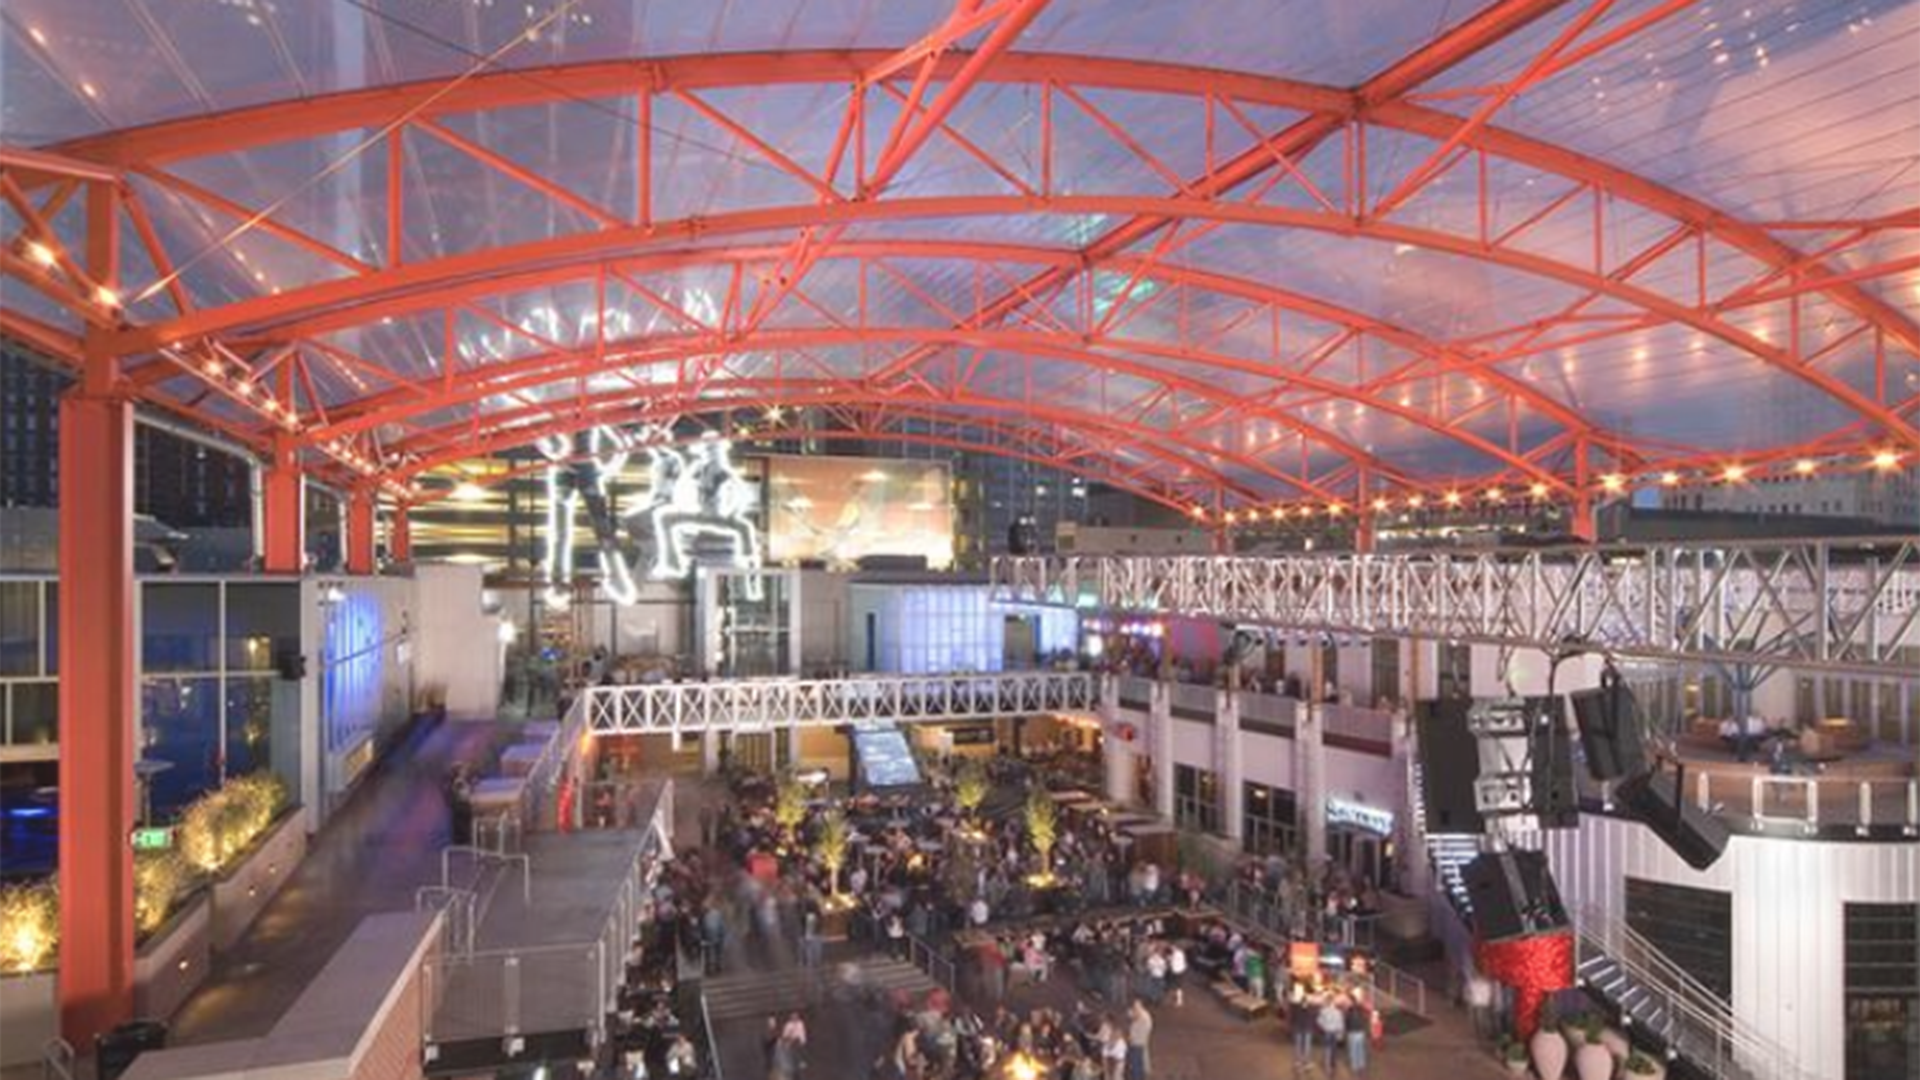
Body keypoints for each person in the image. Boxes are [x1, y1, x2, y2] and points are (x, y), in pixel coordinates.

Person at [1316, 993, 1347, 1076]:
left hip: (1327, 1032)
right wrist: (1340, 1034)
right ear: (1333, 1002)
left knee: (1327, 1050)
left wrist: (1324, 1026)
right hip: (1335, 1033)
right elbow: (1341, 1024)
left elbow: (1318, 1021)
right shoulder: (1338, 1012)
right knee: (1334, 1050)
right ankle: (1333, 1066)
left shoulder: (1323, 1011)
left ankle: (1327, 1069)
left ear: (1327, 1002)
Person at [1289, 986, 1317, 1072]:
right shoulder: (1311, 1008)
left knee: (1298, 1046)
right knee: (1307, 1046)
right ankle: (1306, 1063)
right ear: (1307, 1002)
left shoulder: (1296, 1008)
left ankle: (1298, 1063)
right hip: (1307, 1029)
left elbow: (1292, 1017)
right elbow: (1313, 1017)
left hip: (1298, 1029)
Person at [1344, 993, 1372, 1075]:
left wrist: (1346, 1030)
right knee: (1360, 1049)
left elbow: (1347, 1021)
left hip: (1352, 1032)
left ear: (1351, 1001)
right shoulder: (1361, 1008)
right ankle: (1361, 1065)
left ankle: (1355, 1067)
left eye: (1348, 1001)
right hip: (1361, 1032)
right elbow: (1365, 1019)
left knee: (1353, 1050)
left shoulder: (1349, 1010)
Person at [1126, 999, 1153, 1080]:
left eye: (1136, 1007)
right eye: (1134, 1006)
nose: (1134, 1008)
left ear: (1141, 1006)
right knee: (1137, 1066)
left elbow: (1135, 1018)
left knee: (1136, 1066)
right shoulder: (1143, 1014)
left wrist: (1131, 1015)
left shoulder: (1143, 1016)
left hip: (1138, 1044)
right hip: (1136, 1044)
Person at [1166, 942, 1187, 1007]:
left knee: (1176, 986)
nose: (1171, 948)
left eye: (1172, 947)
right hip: (1181, 971)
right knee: (1179, 986)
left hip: (1176, 971)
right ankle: (1178, 999)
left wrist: (1169, 959)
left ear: (1175, 947)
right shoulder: (1181, 953)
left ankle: (1179, 1000)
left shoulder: (1175, 954)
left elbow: (1172, 963)